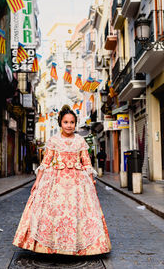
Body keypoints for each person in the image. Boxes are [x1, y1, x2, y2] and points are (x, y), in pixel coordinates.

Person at [13, 105, 111, 256]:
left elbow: (86, 163)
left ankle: (78, 246)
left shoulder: (80, 141)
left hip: (78, 183)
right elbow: (45, 163)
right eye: (66, 122)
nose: (69, 125)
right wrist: (37, 182)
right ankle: (54, 246)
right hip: (55, 182)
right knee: (55, 212)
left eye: (72, 122)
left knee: (77, 213)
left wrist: (91, 183)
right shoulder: (53, 141)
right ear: (60, 123)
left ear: (75, 123)